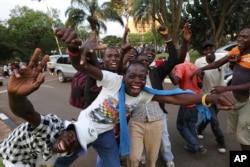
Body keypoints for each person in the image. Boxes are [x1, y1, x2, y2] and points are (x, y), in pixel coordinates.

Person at [55, 27, 235, 160]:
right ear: (124, 76)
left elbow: (173, 97)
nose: (137, 80)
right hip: (80, 129)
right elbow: (82, 66)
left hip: (106, 135)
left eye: (142, 77)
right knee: (60, 157)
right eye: (132, 76)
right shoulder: (112, 80)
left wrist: (208, 98)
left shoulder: (144, 93)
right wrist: (73, 49)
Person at [0, 48, 98, 167]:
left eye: (76, 144)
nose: (70, 143)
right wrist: (15, 97)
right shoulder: (50, 127)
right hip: (13, 156)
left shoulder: (68, 150)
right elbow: (26, 112)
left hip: (33, 155)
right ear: (67, 128)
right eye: (72, 135)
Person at [128, 23, 191, 167]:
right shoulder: (129, 74)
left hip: (157, 114)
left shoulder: (156, 72)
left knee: (164, 140)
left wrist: (167, 37)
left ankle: (168, 159)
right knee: (135, 152)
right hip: (136, 116)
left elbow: (174, 59)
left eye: (151, 52)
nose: (148, 55)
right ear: (138, 56)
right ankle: (141, 158)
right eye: (146, 52)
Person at [54, 46, 123, 167]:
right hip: (85, 128)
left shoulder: (118, 76)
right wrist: (74, 50)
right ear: (103, 59)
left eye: (117, 56)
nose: (114, 59)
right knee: (62, 161)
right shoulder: (96, 71)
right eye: (110, 56)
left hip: (106, 132)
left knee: (113, 163)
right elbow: (81, 65)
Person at [190, 25, 250, 151]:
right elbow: (218, 63)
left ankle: (230, 150)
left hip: (246, 101)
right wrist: (201, 69)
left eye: (244, 37)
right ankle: (200, 128)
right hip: (234, 99)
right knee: (238, 133)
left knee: (243, 136)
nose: (239, 39)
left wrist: (226, 89)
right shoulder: (236, 51)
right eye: (239, 36)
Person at [169, 57, 207, 158]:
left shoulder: (180, 66)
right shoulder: (195, 66)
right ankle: (192, 145)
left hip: (187, 102)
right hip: (196, 101)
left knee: (181, 125)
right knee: (191, 125)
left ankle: (197, 146)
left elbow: (175, 81)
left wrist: (168, 69)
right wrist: (201, 78)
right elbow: (200, 85)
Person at [195, 40, 226, 153]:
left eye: (211, 48)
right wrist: (200, 78)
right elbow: (197, 82)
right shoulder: (199, 62)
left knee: (210, 117)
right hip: (205, 96)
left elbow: (231, 66)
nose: (209, 51)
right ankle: (221, 141)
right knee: (214, 120)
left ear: (214, 49)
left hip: (219, 96)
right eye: (206, 49)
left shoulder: (221, 60)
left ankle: (199, 128)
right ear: (203, 51)